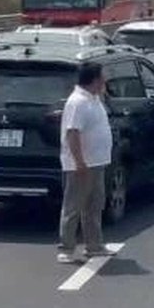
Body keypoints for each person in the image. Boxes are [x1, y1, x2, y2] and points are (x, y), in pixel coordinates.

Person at [57, 62, 117, 264]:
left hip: (97, 162)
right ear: (94, 79)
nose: (105, 81)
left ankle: (94, 245)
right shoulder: (78, 102)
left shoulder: (94, 99)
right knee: (73, 206)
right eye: (103, 77)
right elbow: (72, 133)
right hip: (81, 164)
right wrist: (79, 161)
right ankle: (66, 248)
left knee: (94, 206)